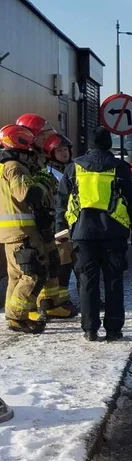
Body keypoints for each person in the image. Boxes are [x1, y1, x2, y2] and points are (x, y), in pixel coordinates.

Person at [57, 127, 132, 341]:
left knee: (87, 282)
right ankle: (113, 329)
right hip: (114, 233)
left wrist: (60, 232)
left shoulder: (73, 168)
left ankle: (90, 329)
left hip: (82, 235)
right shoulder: (120, 168)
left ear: (89, 146)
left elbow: (61, 202)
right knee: (114, 281)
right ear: (108, 144)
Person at [0, 124, 49, 333]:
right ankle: (15, 316)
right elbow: (27, 194)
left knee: (16, 277)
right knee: (32, 275)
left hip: (10, 232)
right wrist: (43, 183)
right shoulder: (14, 167)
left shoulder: (3, 166)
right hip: (21, 231)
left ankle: (19, 317)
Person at [39, 132, 78, 318]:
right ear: (51, 153)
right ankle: (61, 300)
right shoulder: (47, 173)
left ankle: (83, 297)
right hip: (58, 223)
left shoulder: (74, 169)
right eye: (59, 150)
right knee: (63, 263)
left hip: (75, 223)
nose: (64, 153)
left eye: (66, 149)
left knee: (77, 262)